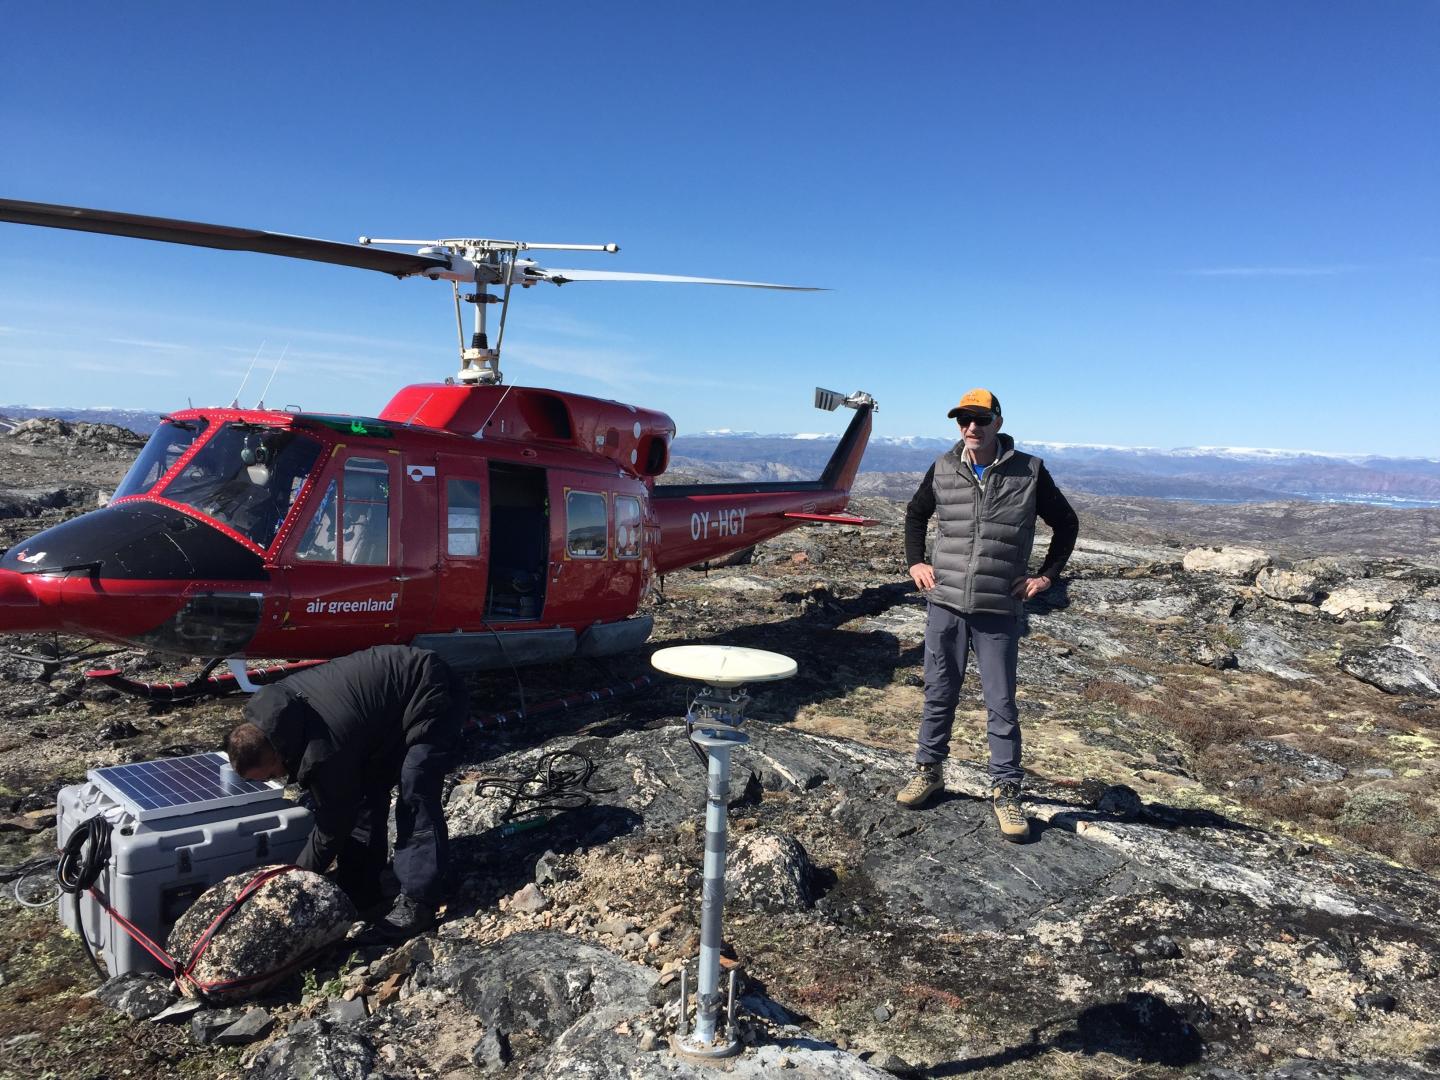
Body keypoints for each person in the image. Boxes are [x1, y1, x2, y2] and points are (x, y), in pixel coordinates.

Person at [897, 388, 1079, 842]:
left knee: (1000, 702)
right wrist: (915, 561)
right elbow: (915, 515)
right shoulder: (943, 466)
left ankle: (1006, 789)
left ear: (997, 421)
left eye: (979, 419)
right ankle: (929, 770)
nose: (971, 428)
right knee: (939, 692)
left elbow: (1067, 523)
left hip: (998, 607)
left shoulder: (1029, 471)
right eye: (963, 420)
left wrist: (1046, 577)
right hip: (946, 603)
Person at [225, 644, 467, 938]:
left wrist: (297, 878)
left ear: (277, 753)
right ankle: (361, 890)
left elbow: (332, 826)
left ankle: (420, 902)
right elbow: (350, 802)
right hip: (382, 713)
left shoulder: (322, 752)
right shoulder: (274, 713)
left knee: (415, 787)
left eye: (273, 774)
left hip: (429, 687)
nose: (279, 778)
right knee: (365, 793)